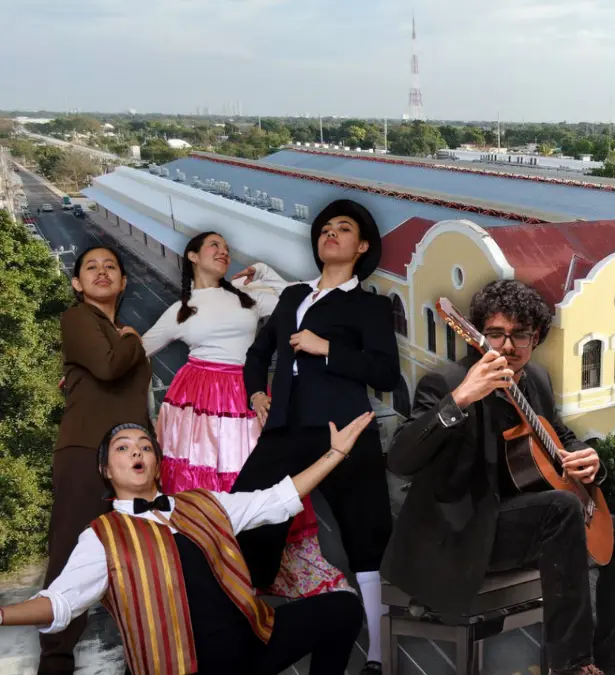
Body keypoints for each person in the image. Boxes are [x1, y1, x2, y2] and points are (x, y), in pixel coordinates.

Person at [386, 279, 615, 675]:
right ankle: (571, 665)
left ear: (535, 337)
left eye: (519, 335)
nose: (507, 346)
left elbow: (560, 435)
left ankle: (614, 664)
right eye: (495, 334)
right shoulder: (447, 384)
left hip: (519, 522)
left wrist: (587, 459)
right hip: (463, 533)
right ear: (476, 336)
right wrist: (459, 400)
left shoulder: (536, 380)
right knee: (560, 508)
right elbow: (400, 458)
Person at [0, 415, 376, 675]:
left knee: (342, 608)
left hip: (251, 644)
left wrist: (335, 454)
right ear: (106, 470)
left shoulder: (204, 502)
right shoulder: (101, 537)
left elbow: (277, 500)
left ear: (157, 463)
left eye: (145, 446)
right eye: (123, 448)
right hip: (180, 667)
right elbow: (59, 603)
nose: (136, 452)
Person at [232, 199, 401, 675]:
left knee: (365, 539)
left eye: (343, 228)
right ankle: (243, 634)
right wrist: (255, 395)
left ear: (361, 246)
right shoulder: (291, 297)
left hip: (345, 430)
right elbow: (257, 352)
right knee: (246, 523)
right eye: (325, 228)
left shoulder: (369, 306)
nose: (330, 233)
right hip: (284, 428)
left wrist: (329, 348)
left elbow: (385, 373)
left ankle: (378, 656)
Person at [141, 231, 349, 599]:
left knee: (254, 478)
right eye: (214, 247)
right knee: (205, 482)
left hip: (246, 393)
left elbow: (302, 300)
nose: (224, 253)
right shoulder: (179, 310)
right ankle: (213, 577)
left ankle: (254, 573)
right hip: (196, 400)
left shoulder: (248, 296)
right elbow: (140, 348)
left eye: (226, 248)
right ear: (192, 256)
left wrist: (266, 273)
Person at [39, 245, 153, 675]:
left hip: (128, 462)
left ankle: (146, 659)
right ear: (76, 283)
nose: (102, 272)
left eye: (111, 267)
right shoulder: (79, 319)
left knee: (134, 560)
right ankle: (54, 662)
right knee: (69, 558)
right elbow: (108, 369)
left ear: (123, 282)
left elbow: (115, 381)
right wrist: (131, 340)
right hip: (87, 452)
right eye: (91, 267)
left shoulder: (117, 330)